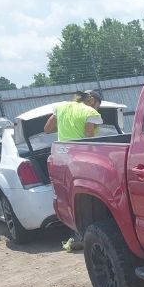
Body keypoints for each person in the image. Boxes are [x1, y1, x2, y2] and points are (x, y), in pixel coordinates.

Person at [44, 90, 104, 251]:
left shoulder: (61, 107)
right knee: (89, 196)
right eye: (99, 105)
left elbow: (47, 129)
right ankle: (91, 235)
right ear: (93, 101)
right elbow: (89, 136)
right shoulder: (90, 112)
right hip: (82, 159)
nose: (99, 108)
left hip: (63, 159)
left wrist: (66, 125)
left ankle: (76, 235)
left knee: (71, 198)